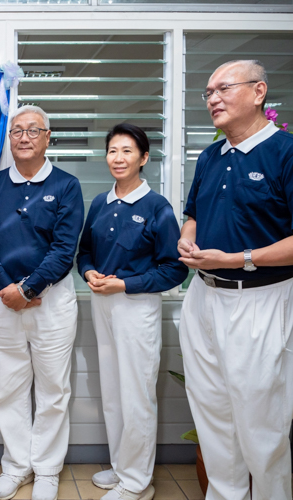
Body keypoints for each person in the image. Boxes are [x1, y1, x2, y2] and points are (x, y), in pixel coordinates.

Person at [178, 60, 293, 500]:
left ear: (259, 92)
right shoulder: (210, 156)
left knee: (261, 423)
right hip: (204, 298)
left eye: (222, 89)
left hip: (260, 299)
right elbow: (193, 215)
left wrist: (239, 258)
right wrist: (187, 241)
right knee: (213, 415)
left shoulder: (285, 152)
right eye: (208, 93)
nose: (212, 99)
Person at [0, 105, 84, 500]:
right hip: (2, 303)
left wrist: (30, 289)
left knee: (53, 388)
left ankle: (48, 469)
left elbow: (64, 247)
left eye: (33, 130)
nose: (23, 137)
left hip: (52, 303)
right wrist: (9, 289)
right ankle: (17, 466)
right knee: (9, 389)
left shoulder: (67, 186)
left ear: (47, 137)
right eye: (17, 131)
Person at [76, 123, 188, 500]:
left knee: (137, 394)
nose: (118, 158)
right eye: (112, 150)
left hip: (136, 307)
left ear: (143, 158)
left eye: (127, 151)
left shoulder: (156, 207)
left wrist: (123, 284)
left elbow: (174, 267)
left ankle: (138, 483)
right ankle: (123, 466)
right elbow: (85, 252)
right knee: (112, 392)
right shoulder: (100, 204)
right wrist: (89, 271)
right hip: (102, 305)